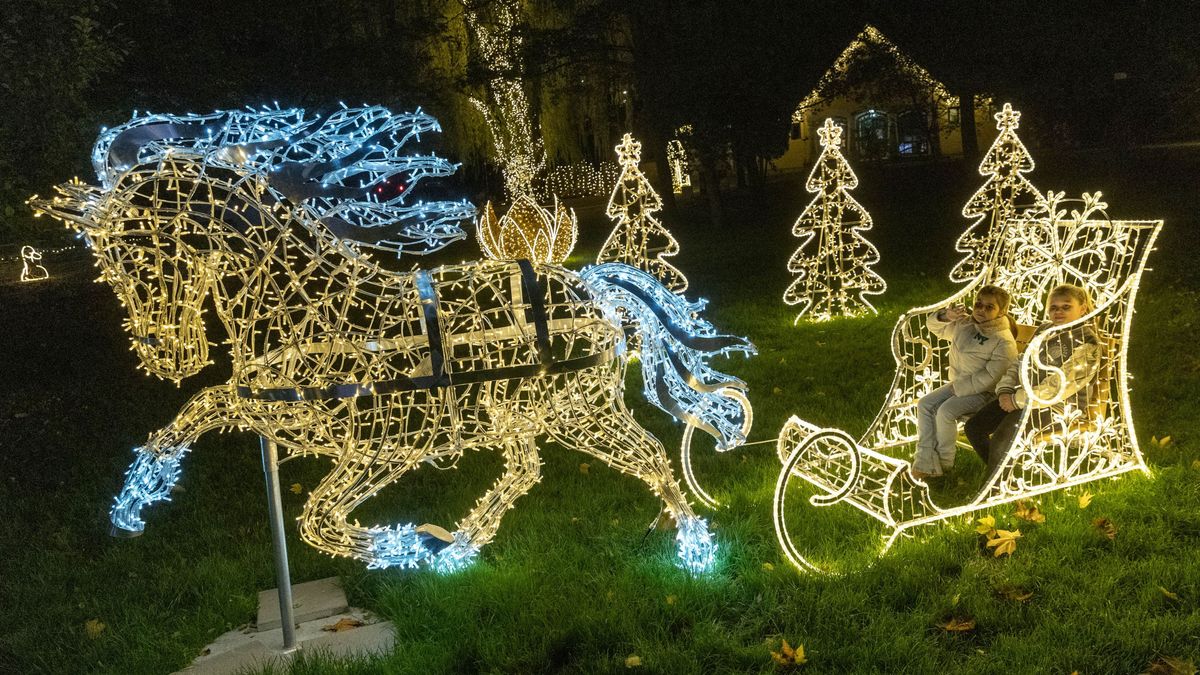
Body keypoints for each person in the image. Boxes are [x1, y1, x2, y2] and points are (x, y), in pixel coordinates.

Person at [964, 284, 1102, 473]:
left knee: (1004, 436)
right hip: (1023, 397)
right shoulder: (1045, 329)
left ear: (1083, 309)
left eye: (1066, 307)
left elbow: (1060, 386)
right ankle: (1002, 477)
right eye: (1053, 307)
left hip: (1059, 407)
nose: (1058, 312)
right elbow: (1020, 361)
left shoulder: (1087, 341)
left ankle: (992, 488)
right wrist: (1005, 390)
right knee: (974, 426)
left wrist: (1017, 400)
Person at [912, 285, 1018, 480]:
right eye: (978, 303)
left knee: (945, 412)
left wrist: (959, 388)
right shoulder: (965, 324)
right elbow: (936, 329)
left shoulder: (1003, 340)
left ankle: (943, 465)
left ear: (1002, 312)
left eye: (989, 307)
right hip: (959, 385)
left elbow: (992, 377)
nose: (981, 309)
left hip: (985, 394)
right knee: (925, 404)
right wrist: (945, 316)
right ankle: (925, 459)